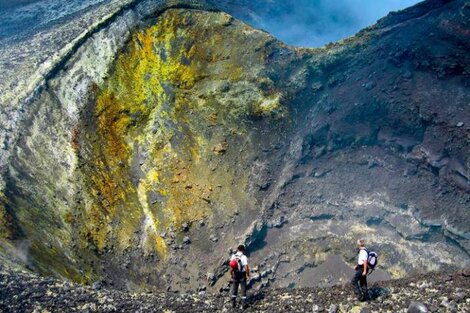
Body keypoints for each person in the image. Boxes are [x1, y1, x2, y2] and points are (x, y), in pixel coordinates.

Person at [229, 245, 250, 309]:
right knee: (243, 288)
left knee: (235, 287)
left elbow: (231, 265)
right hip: (242, 274)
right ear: (243, 250)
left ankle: (233, 303)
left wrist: (231, 273)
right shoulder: (244, 257)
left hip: (235, 273)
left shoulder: (233, 256)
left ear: (238, 249)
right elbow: (246, 267)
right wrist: (248, 275)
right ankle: (243, 304)